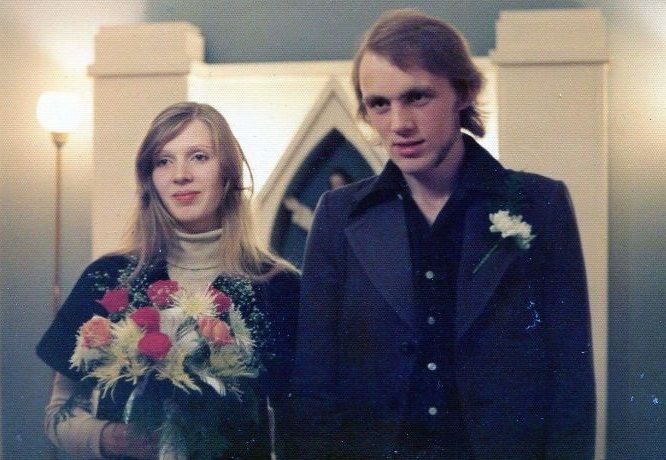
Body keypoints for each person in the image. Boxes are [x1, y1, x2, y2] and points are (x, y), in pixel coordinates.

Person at [289, 9, 595, 459]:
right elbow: (313, 387)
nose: (399, 124)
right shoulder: (339, 214)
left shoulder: (540, 204)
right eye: (379, 104)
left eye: (417, 97)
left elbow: (571, 385)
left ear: (463, 93)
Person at [36, 102, 299, 459]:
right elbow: (58, 416)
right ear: (150, 178)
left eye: (199, 157)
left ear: (228, 171)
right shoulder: (107, 277)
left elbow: (301, 425)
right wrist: (115, 438)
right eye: (163, 161)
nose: (180, 175)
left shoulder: (280, 286)